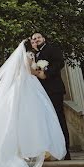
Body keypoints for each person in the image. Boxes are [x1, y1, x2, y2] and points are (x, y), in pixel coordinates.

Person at [28, 32, 71, 160]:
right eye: (34, 38)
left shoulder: (53, 48)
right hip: (40, 92)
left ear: (44, 39)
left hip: (54, 90)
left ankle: (65, 151)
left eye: (38, 37)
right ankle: (50, 150)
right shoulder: (33, 54)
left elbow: (59, 63)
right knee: (46, 122)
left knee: (58, 118)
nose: (36, 40)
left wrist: (46, 73)